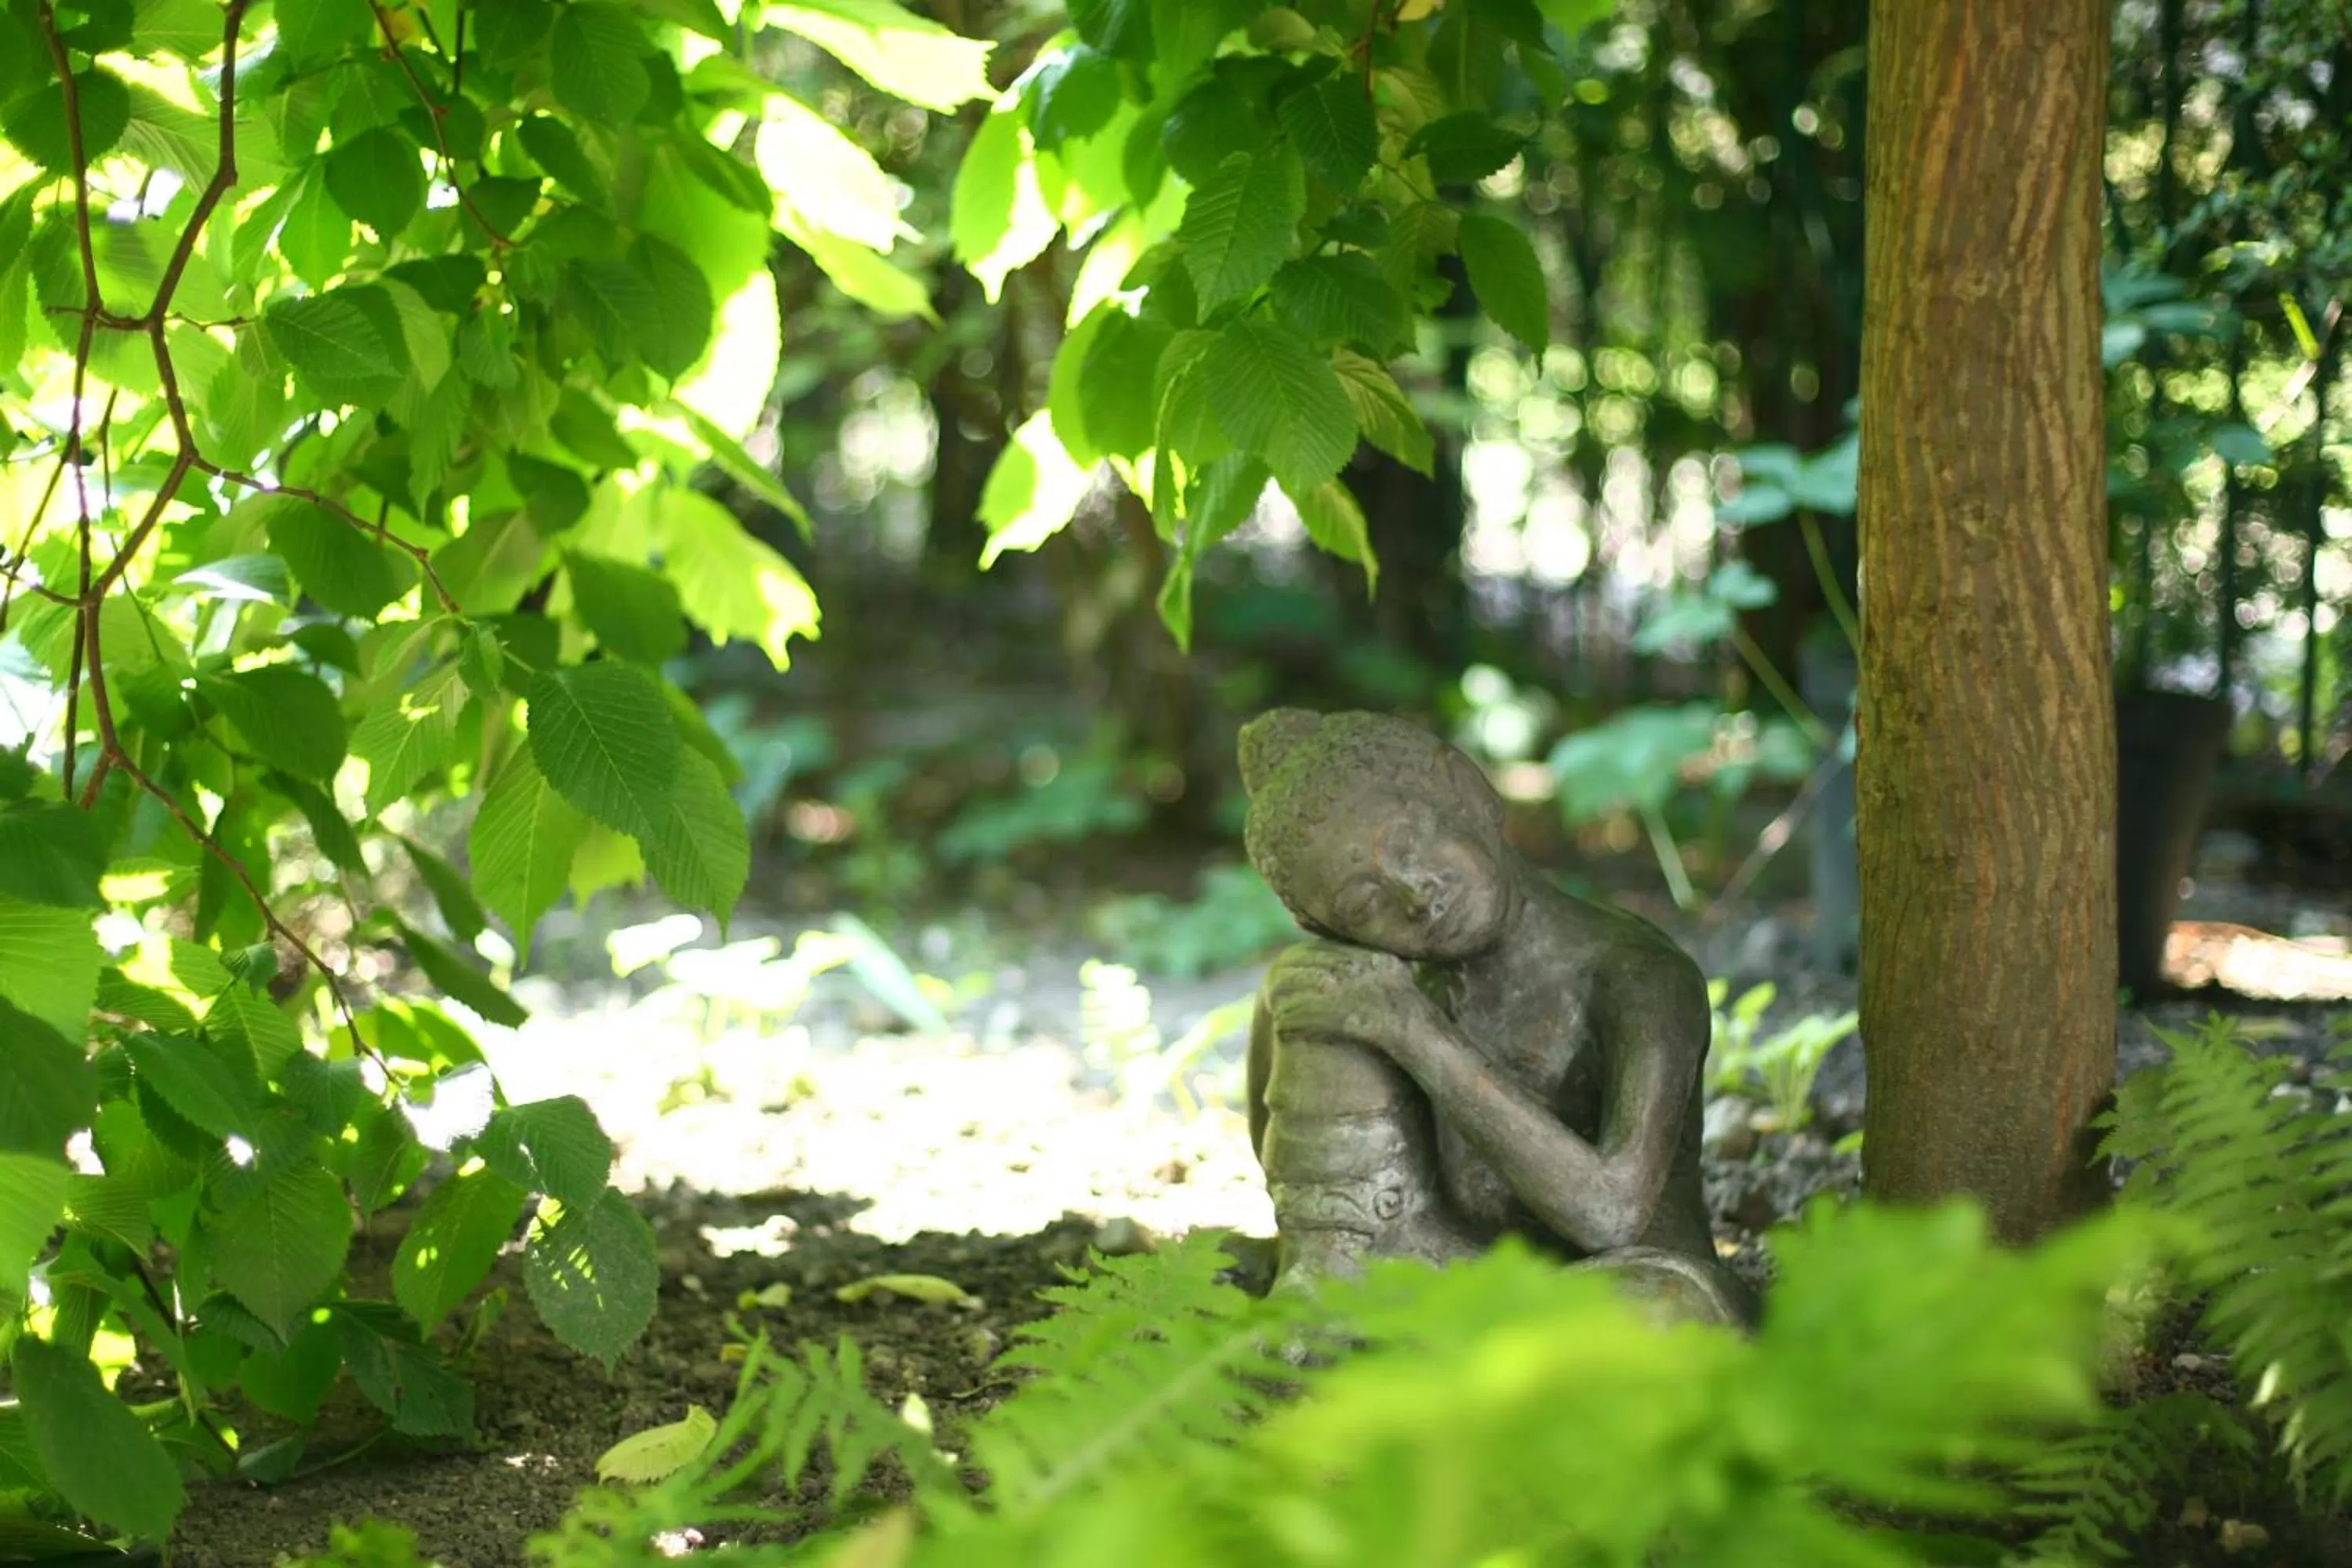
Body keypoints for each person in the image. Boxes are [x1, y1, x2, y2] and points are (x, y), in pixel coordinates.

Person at [1240, 707, 1755, 1325]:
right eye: (1363, 903)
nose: (1414, 892)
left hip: (1625, 1283)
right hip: (1463, 1275)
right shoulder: (1382, 989)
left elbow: (1613, 1215)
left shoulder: (1637, 977)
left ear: (1464, 786)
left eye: (1408, 841)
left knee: (1659, 1315)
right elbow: (1295, 1175)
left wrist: (1417, 1036)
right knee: (1313, 990)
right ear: (1327, 925)